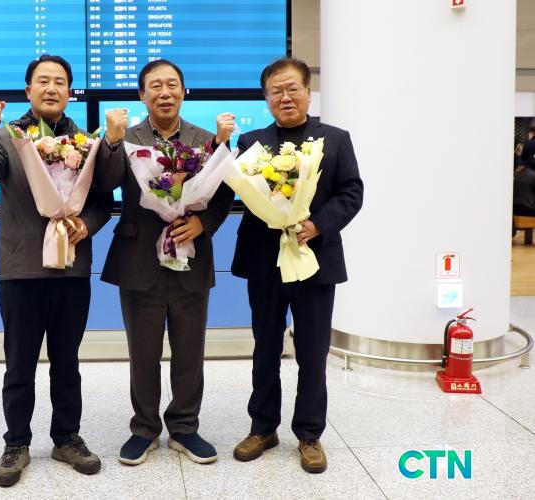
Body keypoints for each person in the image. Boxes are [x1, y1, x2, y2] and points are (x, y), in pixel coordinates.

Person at [0, 54, 112, 487]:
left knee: (67, 362)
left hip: (71, 268)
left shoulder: (86, 142)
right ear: (28, 90)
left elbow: (103, 202)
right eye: (43, 81)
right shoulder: (8, 137)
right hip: (21, 269)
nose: (52, 88)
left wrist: (87, 225)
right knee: (19, 364)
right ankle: (16, 443)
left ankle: (67, 438)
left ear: (70, 92)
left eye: (60, 82)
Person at [96, 59, 236, 465]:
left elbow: (225, 194)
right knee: (143, 354)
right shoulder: (125, 137)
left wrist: (202, 224)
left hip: (191, 258)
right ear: (142, 95)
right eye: (155, 86)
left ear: (183, 91)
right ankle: (144, 429)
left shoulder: (207, 140)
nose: (165, 92)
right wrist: (110, 141)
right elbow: (104, 185)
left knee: (190, 351)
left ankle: (185, 427)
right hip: (138, 260)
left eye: (172, 84)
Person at [230, 57, 363, 473]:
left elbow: (351, 192)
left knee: (312, 351)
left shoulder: (335, 139)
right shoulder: (251, 142)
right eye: (276, 91)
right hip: (265, 262)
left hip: (315, 261)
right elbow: (244, 193)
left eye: (292, 89)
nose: (285, 97)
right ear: (266, 98)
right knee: (265, 347)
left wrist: (316, 224)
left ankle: (309, 434)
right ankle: (262, 428)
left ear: (308, 92)